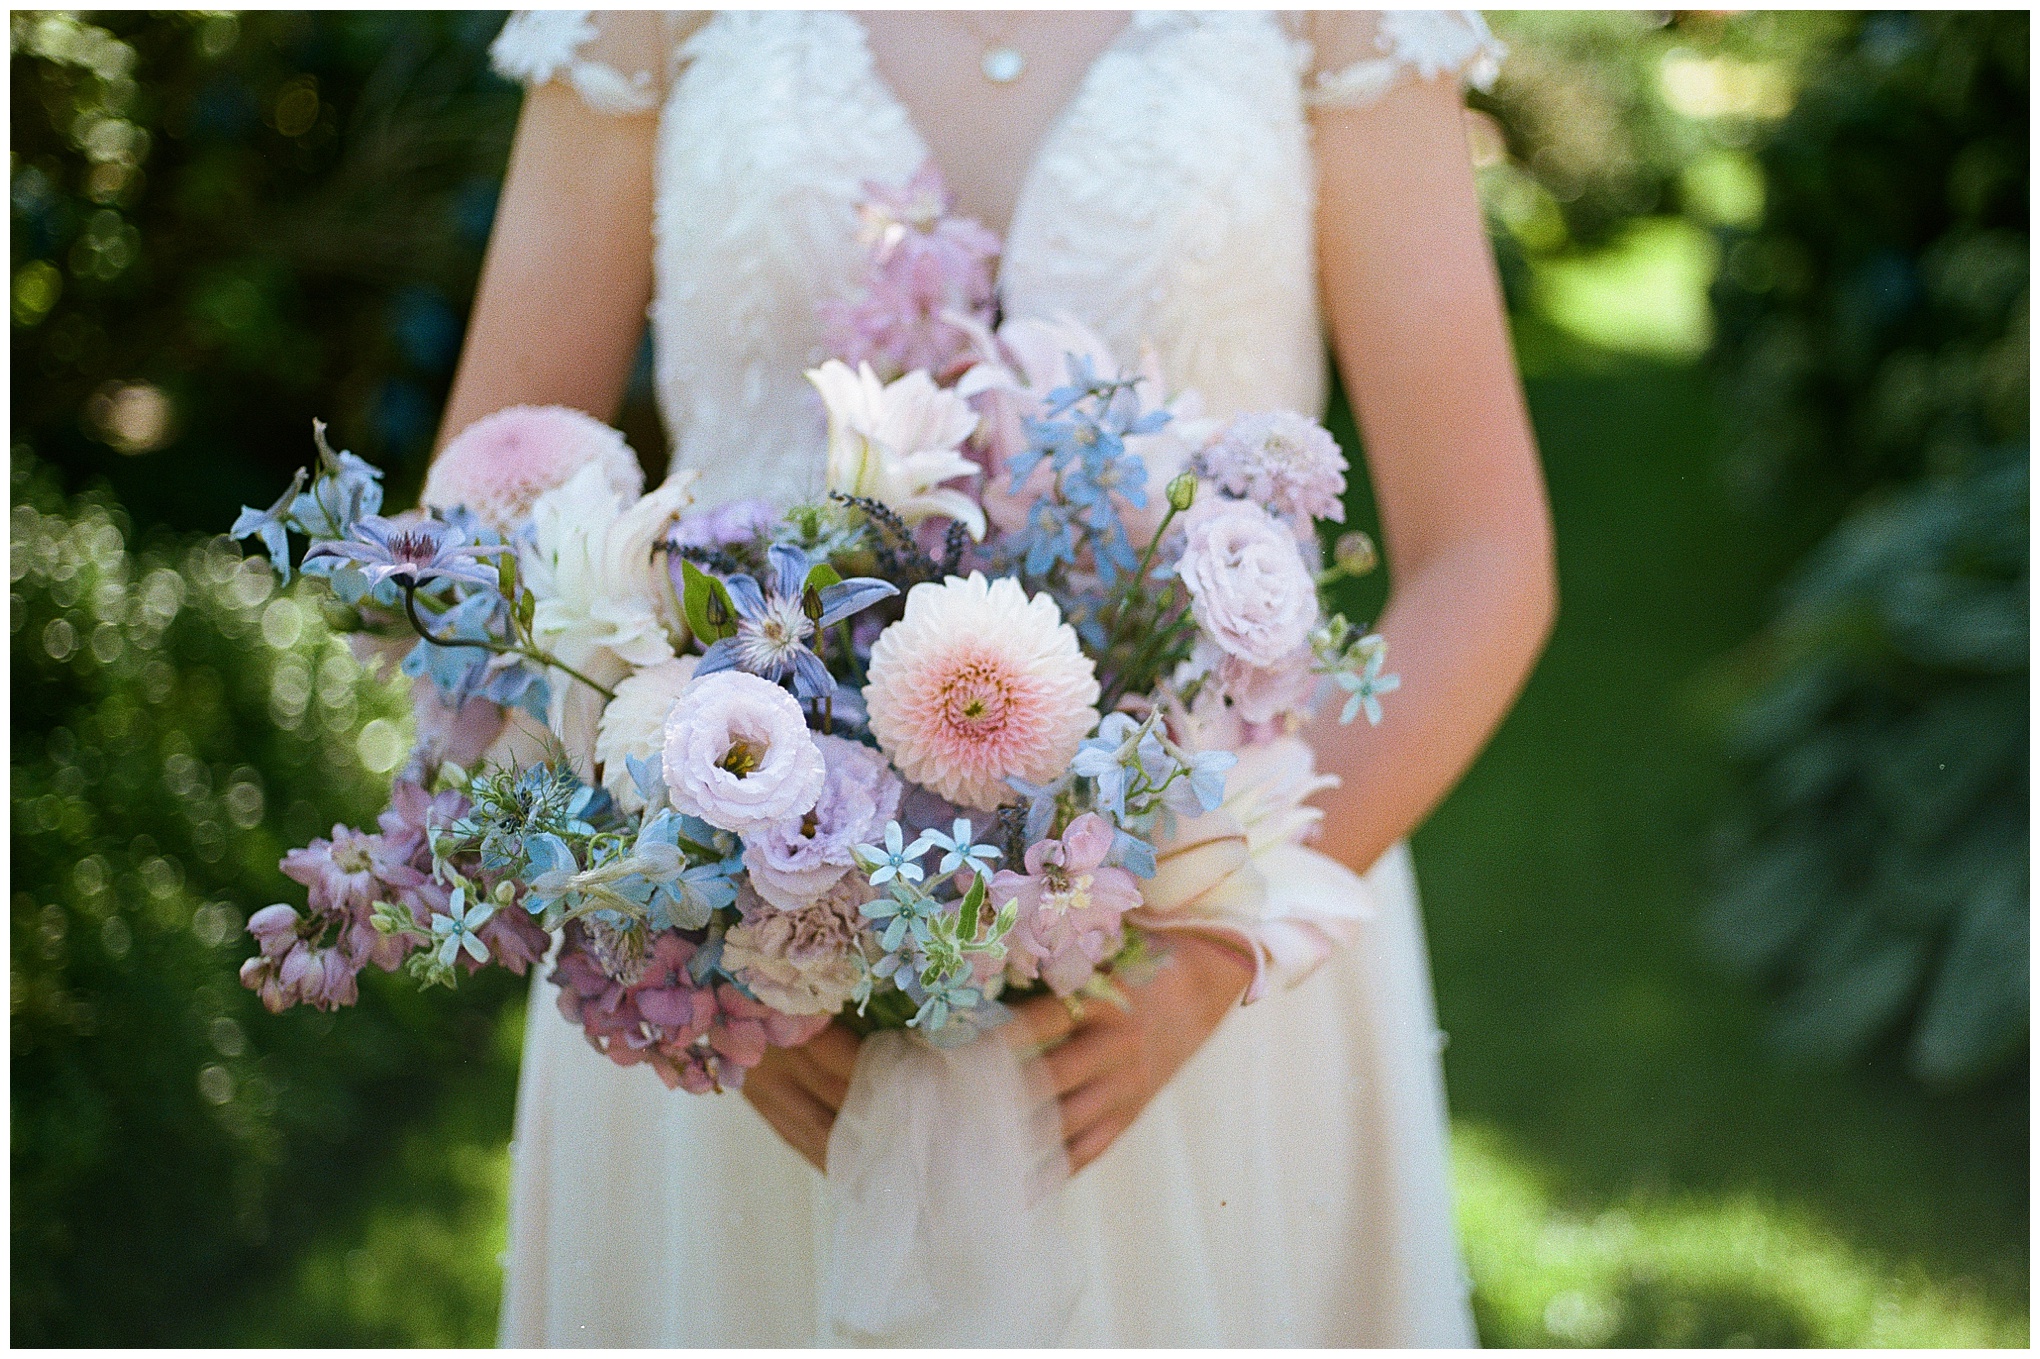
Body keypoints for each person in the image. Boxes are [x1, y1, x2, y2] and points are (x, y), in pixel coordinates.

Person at [441, 9, 1555, 1346]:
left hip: (1194, 989)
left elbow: (1484, 553)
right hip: (735, 1012)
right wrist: (689, 951)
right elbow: (484, 533)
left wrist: (1207, 951)